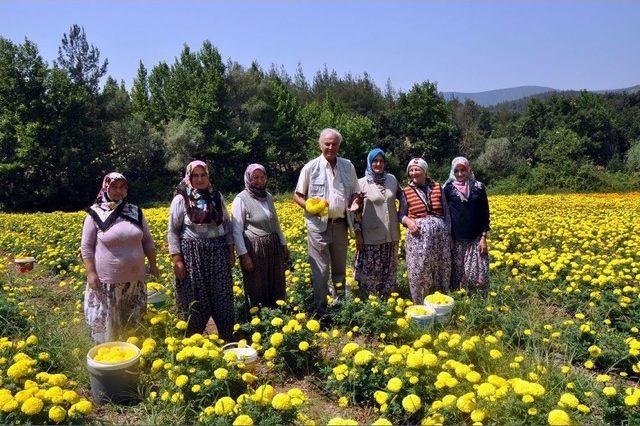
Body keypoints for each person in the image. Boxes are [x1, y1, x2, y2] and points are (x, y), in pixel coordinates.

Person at [81, 172, 158, 343]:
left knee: (133, 325)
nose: (118, 191)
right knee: (110, 328)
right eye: (114, 186)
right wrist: (91, 273)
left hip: (135, 282)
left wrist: (153, 264)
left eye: (122, 187)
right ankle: (108, 362)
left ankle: (132, 361)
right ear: (105, 188)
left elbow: (147, 240)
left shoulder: (135, 212)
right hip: (107, 283)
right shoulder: (94, 213)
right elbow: (86, 248)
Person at [293, 128, 360, 318]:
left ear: (339, 145)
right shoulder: (310, 167)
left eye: (334, 144)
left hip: (340, 224)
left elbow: (355, 191)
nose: (331, 147)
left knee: (339, 269)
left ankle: (340, 307)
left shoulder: (348, 166)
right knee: (320, 271)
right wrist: (309, 206)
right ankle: (321, 312)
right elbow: (297, 195)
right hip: (318, 226)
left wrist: (355, 201)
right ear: (320, 145)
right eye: (327, 144)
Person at [168, 160, 235, 341]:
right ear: (189, 177)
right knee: (196, 298)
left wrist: (231, 250)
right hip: (193, 255)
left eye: (203, 175)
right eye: (195, 175)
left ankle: (226, 338)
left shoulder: (216, 197)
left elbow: (227, 225)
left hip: (219, 251)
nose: (199, 179)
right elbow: (173, 231)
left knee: (223, 296)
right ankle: (192, 341)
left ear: (208, 176)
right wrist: (177, 260)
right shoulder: (181, 199)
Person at [232, 164, 289, 309]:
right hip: (254, 248)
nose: (259, 180)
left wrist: (284, 244)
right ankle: (258, 318)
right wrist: (243, 256)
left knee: (276, 282)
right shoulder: (241, 199)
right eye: (255, 177)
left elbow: (275, 223)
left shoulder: (268, 197)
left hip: (273, 246)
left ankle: (277, 314)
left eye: (262, 177)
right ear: (249, 179)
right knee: (257, 284)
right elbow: (237, 231)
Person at [398, 158, 451, 304]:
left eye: (417, 169)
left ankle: (441, 301)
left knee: (441, 267)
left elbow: (446, 212)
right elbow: (401, 214)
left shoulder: (437, 187)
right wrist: (408, 222)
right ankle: (421, 302)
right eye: (411, 170)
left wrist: (449, 233)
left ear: (425, 171)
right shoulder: (405, 192)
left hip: (440, 237)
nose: (414, 173)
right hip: (418, 237)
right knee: (420, 269)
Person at [353, 148, 401, 297]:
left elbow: (404, 199)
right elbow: (355, 212)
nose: (378, 164)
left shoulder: (392, 180)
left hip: (391, 235)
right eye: (375, 161)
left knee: (389, 269)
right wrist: (358, 233)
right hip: (371, 236)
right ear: (369, 162)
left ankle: (388, 299)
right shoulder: (360, 183)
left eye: (381, 161)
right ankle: (371, 301)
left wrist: (406, 217)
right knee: (371, 272)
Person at [443, 157, 490, 292]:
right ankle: (461, 300)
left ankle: (479, 301)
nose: (460, 174)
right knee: (458, 275)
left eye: (463, 170)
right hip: (457, 239)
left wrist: (483, 237)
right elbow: (445, 214)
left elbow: (485, 213)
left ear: (468, 170)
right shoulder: (447, 189)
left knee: (479, 274)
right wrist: (448, 235)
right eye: (456, 170)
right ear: (453, 171)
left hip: (476, 238)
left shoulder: (478, 187)